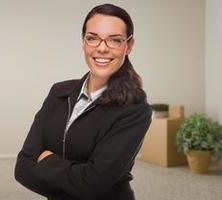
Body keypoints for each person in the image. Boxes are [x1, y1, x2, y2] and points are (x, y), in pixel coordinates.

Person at [14, 4, 151, 200]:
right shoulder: (58, 93)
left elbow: (92, 185)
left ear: (128, 45)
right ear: (83, 42)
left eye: (114, 40)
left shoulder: (135, 110)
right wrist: (77, 181)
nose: (102, 48)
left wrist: (46, 160)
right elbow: (22, 168)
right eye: (92, 38)